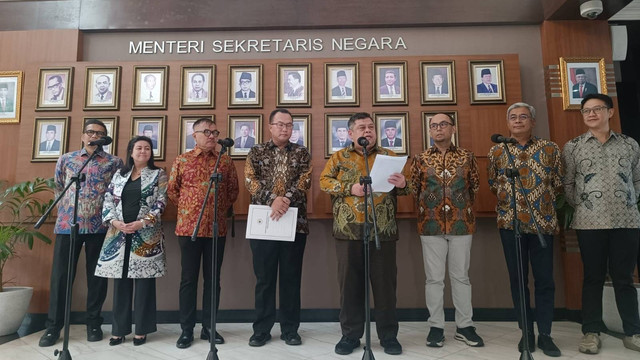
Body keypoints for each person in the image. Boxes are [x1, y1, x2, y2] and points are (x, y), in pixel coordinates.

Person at [320, 112, 409, 356]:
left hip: (383, 231)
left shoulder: (389, 156)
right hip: (348, 232)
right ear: (350, 133)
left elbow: (405, 189)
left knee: (385, 287)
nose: (367, 131)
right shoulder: (339, 157)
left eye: (371, 127)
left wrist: (403, 184)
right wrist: (350, 188)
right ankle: (350, 336)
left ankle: (388, 336)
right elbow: (324, 182)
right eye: (361, 128)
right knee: (350, 287)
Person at [562, 93, 640, 354]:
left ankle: (633, 331)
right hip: (589, 222)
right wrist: (584, 205)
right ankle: (591, 332)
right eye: (586, 111)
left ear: (611, 112)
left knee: (624, 278)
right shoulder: (573, 146)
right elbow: (568, 184)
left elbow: (637, 180)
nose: (591, 114)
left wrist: (627, 201)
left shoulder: (630, 145)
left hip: (626, 220)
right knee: (593, 278)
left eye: (597, 109)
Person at [38, 119, 123, 347]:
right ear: (83, 135)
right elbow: (58, 186)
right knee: (61, 277)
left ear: (105, 137)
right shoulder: (67, 159)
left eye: (100, 133)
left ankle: (93, 323)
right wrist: (67, 211)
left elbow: (116, 192)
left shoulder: (114, 162)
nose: (95, 136)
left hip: (100, 226)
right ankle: (53, 327)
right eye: (91, 132)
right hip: (68, 225)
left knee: (97, 279)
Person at [487, 102, 563, 357]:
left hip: (542, 224)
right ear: (507, 123)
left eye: (523, 117)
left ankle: (546, 334)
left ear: (533, 121)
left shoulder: (550, 149)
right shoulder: (497, 151)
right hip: (510, 224)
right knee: (518, 281)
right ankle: (526, 334)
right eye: (513, 117)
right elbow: (492, 184)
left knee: (545, 281)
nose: (518, 121)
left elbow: (559, 183)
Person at [409, 113, 483, 348]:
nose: (438, 128)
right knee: (434, 279)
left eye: (443, 124)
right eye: (434, 125)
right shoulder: (420, 159)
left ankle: (465, 326)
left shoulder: (467, 157)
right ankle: (436, 327)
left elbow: (475, 186)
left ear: (453, 128)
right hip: (430, 225)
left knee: (461, 277)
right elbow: (414, 188)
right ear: (429, 131)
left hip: (462, 223)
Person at [168, 117, 239, 349]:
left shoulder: (225, 161)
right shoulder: (183, 160)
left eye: (214, 132)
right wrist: (191, 207)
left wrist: (214, 209)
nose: (212, 136)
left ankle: (209, 327)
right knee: (188, 280)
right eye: (206, 131)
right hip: (188, 228)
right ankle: (186, 330)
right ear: (194, 135)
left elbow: (232, 191)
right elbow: (173, 191)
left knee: (212, 280)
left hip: (217, 229)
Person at [244, 108, 312, 347]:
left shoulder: (302, 152)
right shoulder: (256, 151)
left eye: (289, 125)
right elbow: (250, 180)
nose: (285, 129)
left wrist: (285, 201)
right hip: (263, 223)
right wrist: (273, 198)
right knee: (264, 279)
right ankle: (261, 329)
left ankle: (290, 329)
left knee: (291, 278)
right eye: (280, 124)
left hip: (295, 224)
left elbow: (305, 180)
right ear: (270, 126)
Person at [96, 136, 167, 346]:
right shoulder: (120, 174)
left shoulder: (158, 174)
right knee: (121, 283)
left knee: (144, 284)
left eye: (147, 148)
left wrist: (142, 223)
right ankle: (118, 330)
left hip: (145, 236)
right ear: (131, 151)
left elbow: (162, 201)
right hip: (118, 235)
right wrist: (114, 221)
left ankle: (141, 330)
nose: (143, 151)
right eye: (139, 148)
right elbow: (108, 199)